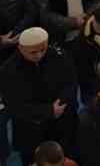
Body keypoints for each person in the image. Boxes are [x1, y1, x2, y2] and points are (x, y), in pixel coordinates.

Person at [0, 27, 78, 164]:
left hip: (61, 123)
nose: (38, 55)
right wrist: (49, 111)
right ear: (20, 48)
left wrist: (61, 102)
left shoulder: (59, 55)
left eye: (43, 50)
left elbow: (71, 82)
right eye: (33, 52)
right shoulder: (8, 70)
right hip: (32, 129)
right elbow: (14, 105)